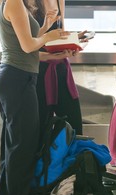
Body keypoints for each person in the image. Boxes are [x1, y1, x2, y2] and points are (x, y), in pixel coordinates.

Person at [0, 0, 70, 195]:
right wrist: (49, 37)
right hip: (17, 80)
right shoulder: (13, 3)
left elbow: (27, 46)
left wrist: (49, 34)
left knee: (14, 147)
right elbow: (29, 45)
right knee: (22, 147)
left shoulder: (13, 4)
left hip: (17, 78)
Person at [34, 0, 85, 136]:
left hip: (61, 70)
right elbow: (25, 45)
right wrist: (53, 55)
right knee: (40, 128)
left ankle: (73, 157)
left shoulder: (59, 1)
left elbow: (59, 34)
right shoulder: (26, 3)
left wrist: (74, 41)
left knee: (74, 126)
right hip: (37, 73)